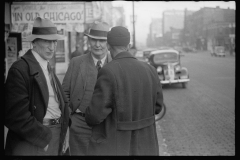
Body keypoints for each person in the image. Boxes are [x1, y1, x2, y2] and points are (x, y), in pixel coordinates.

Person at [85, 26, 164, 156]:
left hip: (118, 144)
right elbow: (158, 107)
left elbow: (94, 116)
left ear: (109, 46)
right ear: (128, 45)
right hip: (147, 144)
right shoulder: (150, 70)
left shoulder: (108, 71)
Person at [4, 17, 70, 156]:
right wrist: (43, 139)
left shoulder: (46, 65)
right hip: (37, 138)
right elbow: (14, 115)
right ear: (34, 42)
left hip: (56, 132)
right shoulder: (20, 69)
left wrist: (64, 131)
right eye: (46, 41)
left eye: (54, 41)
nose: (51, 47)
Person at [62, 22, 112, 155]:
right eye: (94, 40)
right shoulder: (76, 62)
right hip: (79, 124)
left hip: (106, 125)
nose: (97, 44)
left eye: (102, 41)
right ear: (89, 40)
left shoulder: (115, 64)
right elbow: (64, 92)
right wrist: (71, 118)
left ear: (108, 43)